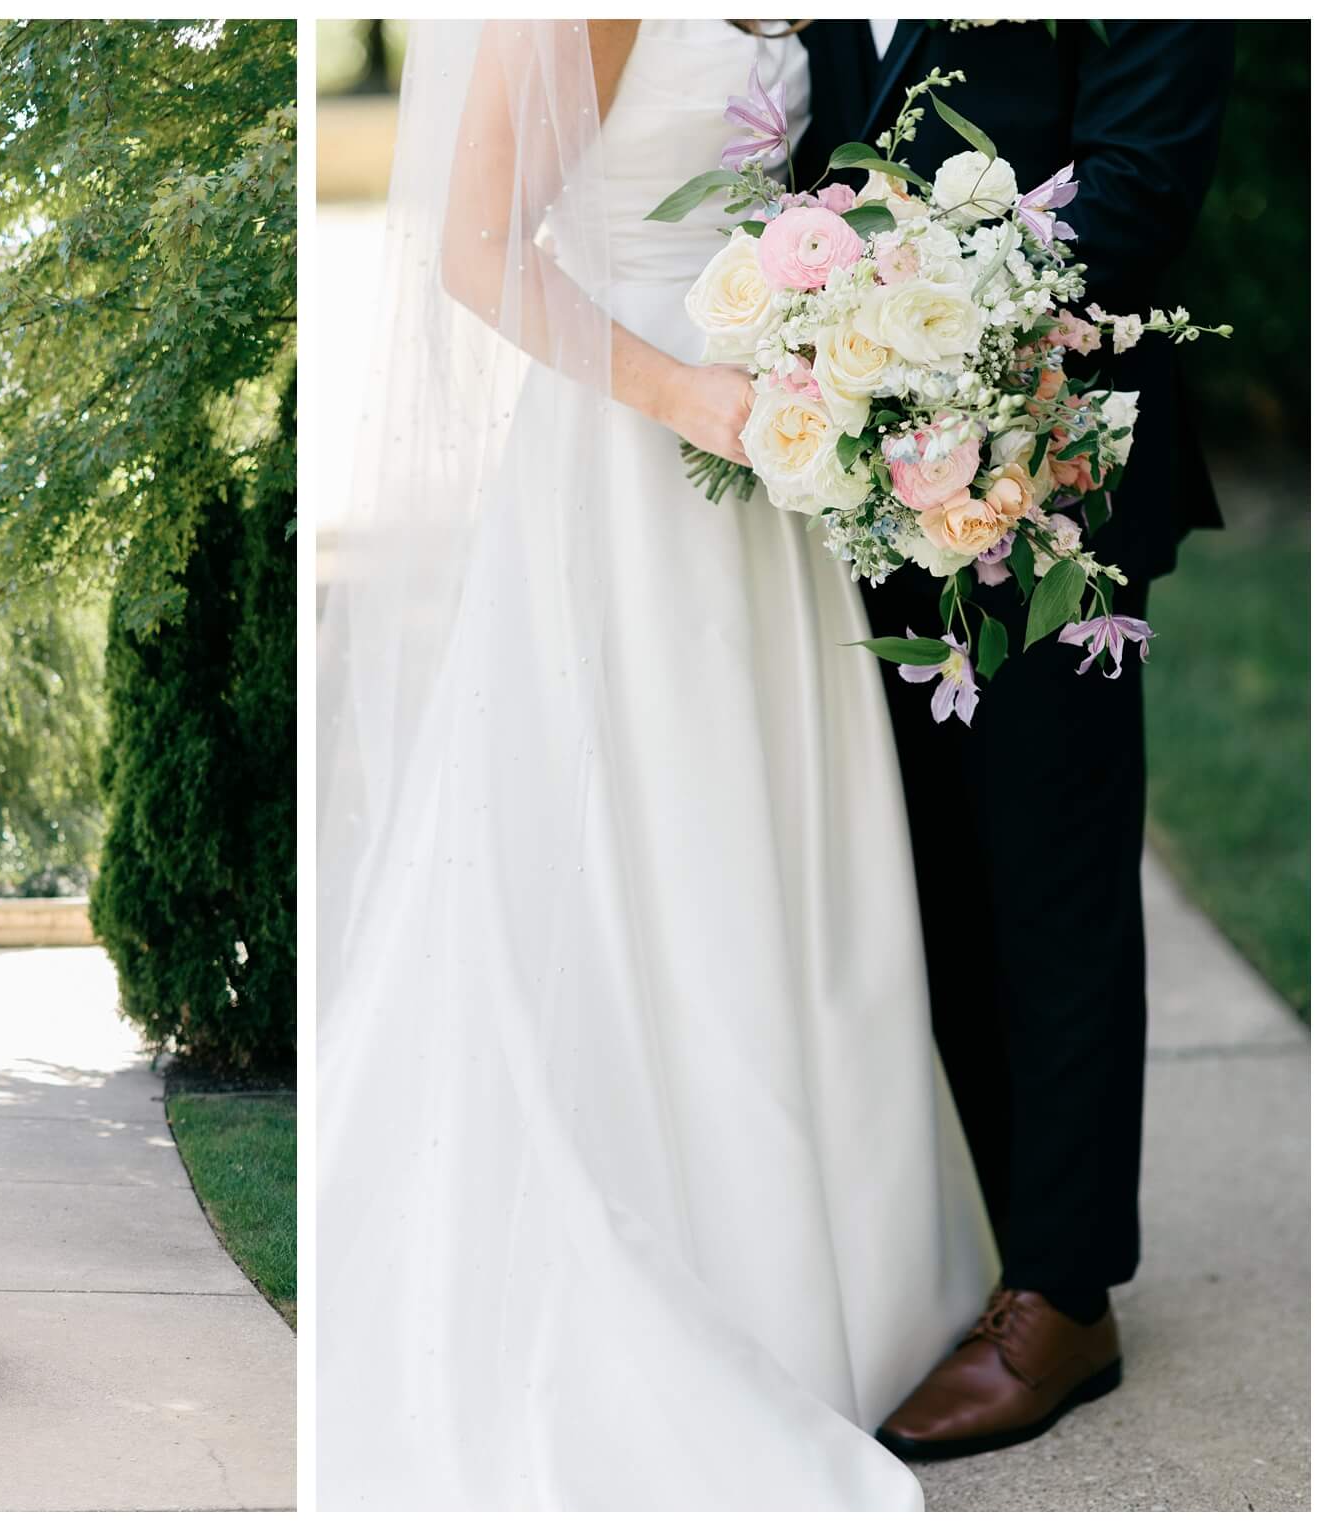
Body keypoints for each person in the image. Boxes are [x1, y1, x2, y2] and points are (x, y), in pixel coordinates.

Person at [316, 20, 992, 1510]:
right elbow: (476, 250)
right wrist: (688, 395)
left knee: (783, 853)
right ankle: (731, 1295)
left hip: (775, 447)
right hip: (642, 458)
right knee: (669, 852)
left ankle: (858, 1286)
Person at [793, 18, 1232, 1460]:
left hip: (1052, 466)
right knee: (928, 873)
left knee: (1051, 880)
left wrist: (927, 356)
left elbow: (1137, 191)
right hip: (858, 476)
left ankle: (1064, 1294)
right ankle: (985, 1237)